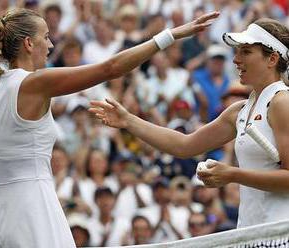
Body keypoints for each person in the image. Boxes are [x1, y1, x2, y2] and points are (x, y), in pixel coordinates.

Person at [0, 8, 219, 248]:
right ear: (28, 43)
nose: (50, 46)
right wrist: (170, 35)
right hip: (33, 212)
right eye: (45, 38)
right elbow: (109, 68)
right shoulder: (34, 82)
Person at [89, 17, 289, 229]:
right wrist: (129, 120)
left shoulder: (282, 102)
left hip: (280, 232)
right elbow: (184, 145)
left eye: (245, 52)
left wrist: (232, 174)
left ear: (272, 59)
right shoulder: (239, 110)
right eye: (237, 51)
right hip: (252, 230)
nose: (235, 59)